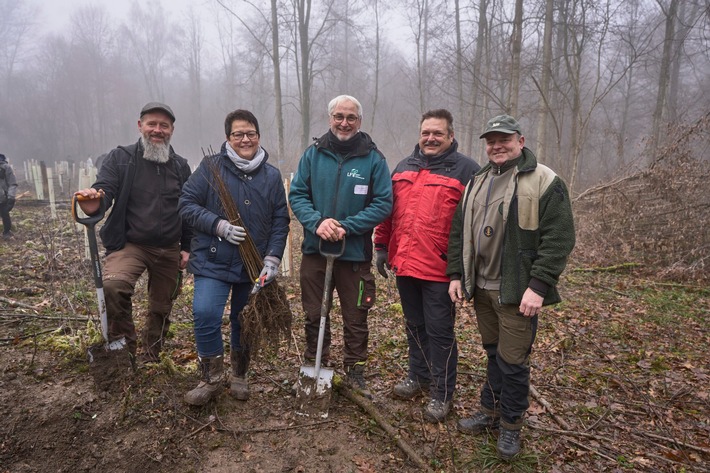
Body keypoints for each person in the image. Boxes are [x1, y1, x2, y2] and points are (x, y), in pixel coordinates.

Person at [447, 115, 575, 459]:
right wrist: (457, 275)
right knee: (494, 354)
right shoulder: (477, 179)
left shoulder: (544, 180)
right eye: (490, 141)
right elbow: (459, 232)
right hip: (482, 288)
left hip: (517, 291)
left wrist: (539, 285)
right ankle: (489, 412)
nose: (496, 146)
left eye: (503, 139)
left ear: (520, 140)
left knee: (514, 362)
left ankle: (511, 427)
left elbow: (559, 238)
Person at [374, 109, 480, 422]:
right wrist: (381, 247)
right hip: (405, 265)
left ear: (450, 136)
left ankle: (442, 392)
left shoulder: (467, 170)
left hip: (441, 271)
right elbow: (387, 212)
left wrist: (461, 270)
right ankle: (418, 376)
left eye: (437, 133)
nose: (430, 139)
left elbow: (472, 225)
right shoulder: (403, 167)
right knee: (414, 326)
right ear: (419, 135)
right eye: (426, 133)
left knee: (440, 332)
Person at [178, 109, 290, 406]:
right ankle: (211, 378)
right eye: (238, 134)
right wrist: (219, 226)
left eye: (250, 133)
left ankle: (240, 373)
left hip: (252, 265)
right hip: (212, 260)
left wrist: (273, 259)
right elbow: (186, 204)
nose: (245, 139)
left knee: (244, 319)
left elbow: (281, 220)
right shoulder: (210, 167)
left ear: (258, 136)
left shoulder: (271, 175)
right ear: (228, 138)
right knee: (205, 313)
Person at [289, 95, 392, 398]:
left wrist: (348, 226)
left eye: (351, 117)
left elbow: (383, 202)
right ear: (330, 118)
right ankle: (316, 362)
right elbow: (298, 195)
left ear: (360, 121)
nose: (344, 122)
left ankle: (355, 371)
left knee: (356, 316)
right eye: (339, 116)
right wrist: (317, 222)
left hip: (354, 255)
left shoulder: (373, 159)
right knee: (313, 312)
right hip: (315, 251)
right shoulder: (314, 154)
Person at [74, 102, 192, 364]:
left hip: (170, 246)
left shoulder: (181, 166)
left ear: (172, 130)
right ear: (140, 126)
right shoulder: (122, 158)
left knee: (162, 306)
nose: (157, 130)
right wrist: (95, 200)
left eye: (164, 125)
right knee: (113, 287)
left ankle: (152, 353)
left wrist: (187, 246)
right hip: (132, 243)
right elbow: (105, 188)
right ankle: (124, 349)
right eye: (152, 124)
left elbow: (189, 208)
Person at [0, 154, 18, 239]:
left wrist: (11, 197)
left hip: (3, 198)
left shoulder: (5, 168)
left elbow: (12, 183)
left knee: (5, 215)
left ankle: (6, 232)